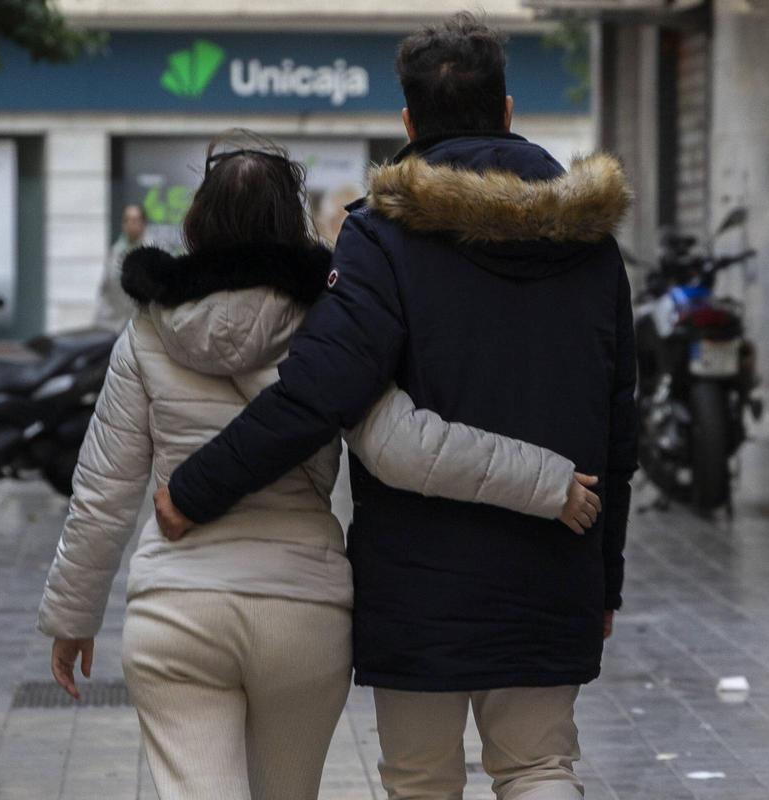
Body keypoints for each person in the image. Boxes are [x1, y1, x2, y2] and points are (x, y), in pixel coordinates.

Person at [154, 14, 637, 800]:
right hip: (556, 560)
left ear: (409, 123)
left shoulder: (382, 238)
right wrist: (604, 578)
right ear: (508, 112)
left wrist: (193, 490)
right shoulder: (589, 240)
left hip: (420, 585)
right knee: (541, 767)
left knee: (419, 782)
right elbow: (622, 424)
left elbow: (321, 388)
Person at [36, 131, 603, 800]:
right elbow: (403, 447)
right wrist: (548, 481)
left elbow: (104, 491)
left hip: (177, 609)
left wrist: (72, 618)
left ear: (197, 221)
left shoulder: (147, 332)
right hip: (301, 614)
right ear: (292, 222)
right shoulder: (331, 331)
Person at [94, 204, 147, 332]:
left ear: (143, 223)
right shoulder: (114, 252)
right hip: (111, 325)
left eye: (135, 220)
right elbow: (104, 287)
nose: (131, 224)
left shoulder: (152, 253)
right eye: (127, 220)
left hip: (141, 328)